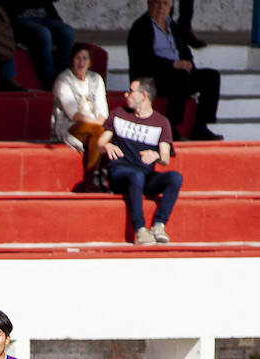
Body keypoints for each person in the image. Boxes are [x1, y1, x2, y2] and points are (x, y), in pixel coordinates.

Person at [99, 77, 184, 246]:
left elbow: (165, 158)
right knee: (136, 175)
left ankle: (159, 225)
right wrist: (106, 146)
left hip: (144, 175)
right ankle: (139, 229)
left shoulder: (161, 122)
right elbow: (100, 142)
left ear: (144, 96)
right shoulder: (119, 113)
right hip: (120, 172)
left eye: (131, 91)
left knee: (175, 178)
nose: (126, 94)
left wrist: (156, 155)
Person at [127, 0, 222, 141]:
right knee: (179, 77)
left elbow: (185, 51)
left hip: (178, 72)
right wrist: (173, 64)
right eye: (157, 3)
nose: (161, 8)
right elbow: (144, 60)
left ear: (171, 6)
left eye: (165, 3)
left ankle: (200, 127)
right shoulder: (141, 27)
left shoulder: (172, 25)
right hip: (153, 78)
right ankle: (171, 128)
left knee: (211, 77)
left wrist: (189, 65)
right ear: (149, 3)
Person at [52, 43, 109, 186]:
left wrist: (100, 123)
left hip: (96, 126)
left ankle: (95, 178)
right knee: (100, 132)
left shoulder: (96, 79)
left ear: (90, 62)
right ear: (72, 60)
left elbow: (102, 109)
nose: (81, 62)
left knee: (100, 133)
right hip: (70, 126)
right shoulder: (63, 80)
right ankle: (96, 176)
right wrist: (100, 125)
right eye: (78, 58)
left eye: (85, 59)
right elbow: (73, 114)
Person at [0, 0, 74, 90]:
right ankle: (50, 79)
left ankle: (65, 77)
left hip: (44, 17)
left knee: (67, 32)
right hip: (20, 18)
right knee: (44, 34)